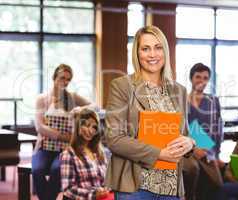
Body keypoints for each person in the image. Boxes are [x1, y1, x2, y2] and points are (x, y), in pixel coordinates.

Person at [104, 25, 194, 200]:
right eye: (146, 49)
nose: (153, 54)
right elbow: (114, 138)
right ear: (137, 54)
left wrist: (190, 143)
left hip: (170, 187)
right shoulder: (122, 86)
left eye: (158, 47)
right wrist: (160, 154)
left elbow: (184, 134)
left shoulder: (179, 91)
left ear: (165, 51)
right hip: (135, 188)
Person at [32, 64, 93, 200]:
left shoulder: (71, 97)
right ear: (54, 78)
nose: (65, 82)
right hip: (43, 147)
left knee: (56, 170)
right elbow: (40, 127)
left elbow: (93, 106)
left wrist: (79, 110)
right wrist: (63, 136)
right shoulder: (41, 99)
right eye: (62, 78)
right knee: (37, 170)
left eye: (68, 80)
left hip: (64, 150)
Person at [183, 63, 224, 200]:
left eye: (205, 78)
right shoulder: (182, 100)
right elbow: (179, 129)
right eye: (198, 77)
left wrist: (216, 155)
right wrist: (193, 149)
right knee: (193, 173)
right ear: (191, 78)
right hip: (187, 150)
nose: (202, 81)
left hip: (208, 150)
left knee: (217, 183)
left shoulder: (213, 100)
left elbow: (218, 129)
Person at [60, 108, 112, 200]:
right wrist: (94, 195)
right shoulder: (68, 154)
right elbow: (68, 189)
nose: (90, 130)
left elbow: (107, 180)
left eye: (94, 127)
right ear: (78, 127)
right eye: (86, 125)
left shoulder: (100, 153)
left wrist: (106, 189)